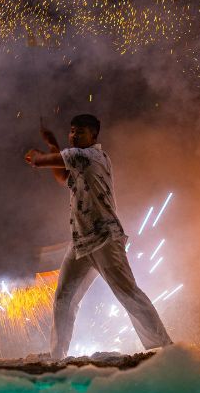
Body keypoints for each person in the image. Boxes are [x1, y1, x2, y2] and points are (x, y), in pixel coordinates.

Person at [24, 114, 173, 359]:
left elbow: (40, 162)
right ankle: (57, 356)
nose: (74, 136)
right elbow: (62, 177)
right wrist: (52, 144)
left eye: (80, 132)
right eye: (72, 131)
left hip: (105, 237)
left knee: (128, 293)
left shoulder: (87, 155)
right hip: (81, 242)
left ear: (94, 136)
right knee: (64, 298)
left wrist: (36, 154)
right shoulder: (80, 160)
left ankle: (167, 348)